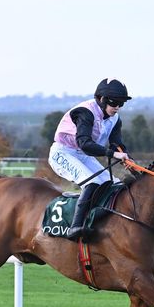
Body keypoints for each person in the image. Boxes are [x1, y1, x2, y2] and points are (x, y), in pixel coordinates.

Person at [48, 78, 133, 240]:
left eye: (121, 104)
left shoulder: (115, 119)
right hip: (63, 153)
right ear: (101, 99)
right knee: (92, 182)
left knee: (114, 184)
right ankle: (76, 227)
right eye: (115, 103)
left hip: (82, 155)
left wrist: (129, 160)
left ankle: (100, 221)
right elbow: (85, 143)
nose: (117, 108)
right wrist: (113, 154)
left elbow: (117, 144)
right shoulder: (85, 112)